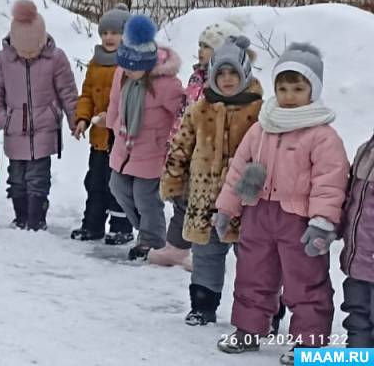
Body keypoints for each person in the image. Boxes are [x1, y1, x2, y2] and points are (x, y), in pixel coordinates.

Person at [215, 43, 348, 364]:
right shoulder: (262, 126)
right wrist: (226, 207)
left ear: (312, 90)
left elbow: (330, 181)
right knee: (252, 274)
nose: (289, 95)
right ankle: (249, 329)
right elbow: (239, 169)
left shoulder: (322, 135)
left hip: (298, 221)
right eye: (283, 87)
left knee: (305, 281)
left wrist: (322, 221)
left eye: (298, 88)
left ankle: (309, 343)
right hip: (259, 215)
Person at [160, 36, 262, 326]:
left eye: (234, 73)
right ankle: (203, 305)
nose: (228, 79)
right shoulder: (200, 109)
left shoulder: (259, 111)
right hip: (203, 199)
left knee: (254, 261)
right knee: (206, 255)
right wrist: (174, 179)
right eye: (221, 73)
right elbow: (180, 146)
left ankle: (261, 310)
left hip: (246, 201)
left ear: (244, 73)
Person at [152, 21, 243, 268]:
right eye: (201, 45)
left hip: (209, 154)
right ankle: (176, 247)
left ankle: (202, 251)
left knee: (205, 205)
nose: (202, 50)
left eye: (209, 47)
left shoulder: (223, 84)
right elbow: (184, 111)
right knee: (182, 200)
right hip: (186, 146)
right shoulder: (195, 76)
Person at [0, 0, 78, 232]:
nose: (27, 56)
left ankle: (36, 218)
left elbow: (67, 91)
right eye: (22, 52)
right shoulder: (1, 61)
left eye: (33, 51)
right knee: (17, 177)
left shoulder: (55, 59)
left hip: (45, 127)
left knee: (37, 177)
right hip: (14, 127)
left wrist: (75, 119)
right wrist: (2, 118)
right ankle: (21, 216)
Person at [106, 14, 185, 262]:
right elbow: (115, 103)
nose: (128, 70)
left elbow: (183, 113)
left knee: (145, 196)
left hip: (152, 150)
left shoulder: (166, 84)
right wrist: (112, 126)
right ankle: (147, 229)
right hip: (124, 144)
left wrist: (177, 142)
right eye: (125, 64)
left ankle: (151, 241)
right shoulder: (122, 74)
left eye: (134, 66)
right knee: (117, 187)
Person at [70, 4, 133, 244]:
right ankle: (92, 225)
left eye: (115, 33)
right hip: (98, 136)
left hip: (121, 138)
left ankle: (121, 227)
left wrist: (117, 119)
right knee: (95, 182)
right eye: (105, 33)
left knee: (117, 185)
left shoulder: (131, 65)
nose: (109, 37)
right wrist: (83, 118)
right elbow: (86, 94)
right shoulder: (96, 62)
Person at [340, 127, 374, 348]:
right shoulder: (366, 151)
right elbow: (351, 199)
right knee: (356, 313)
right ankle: (358, 355)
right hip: (358, 259)